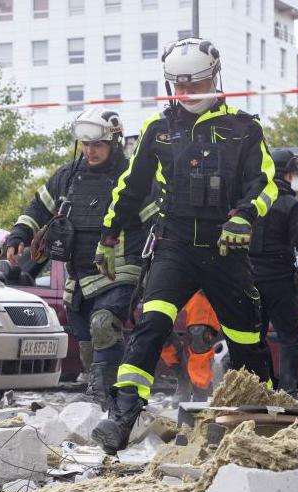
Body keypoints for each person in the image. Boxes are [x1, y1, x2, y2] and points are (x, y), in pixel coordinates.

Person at [91, 37, 278, 454]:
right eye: (178, 85)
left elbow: (264, 182)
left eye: (194, 84)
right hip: (174, 243)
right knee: (152, 323)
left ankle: (262, 417)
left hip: (225, 249)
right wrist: (108, 235)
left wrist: (245, 216)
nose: (186, 93)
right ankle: (121, 417)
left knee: (246, 339)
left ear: (214, 76)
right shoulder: (159, 130)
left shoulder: (244, 129)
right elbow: (130, 187)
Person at [4, 107, 151, 407]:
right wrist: (19, 233)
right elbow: (37, 207)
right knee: (87, 344)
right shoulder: (66, 176)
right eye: (85, 145)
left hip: (118, 271)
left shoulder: (133, 178)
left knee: (103, 325)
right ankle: (107, 400)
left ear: (114, 142)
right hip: (79, 278)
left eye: (97, 145)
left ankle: (108, 400)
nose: (90, 151)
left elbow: (154, 224)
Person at [249, 149, 298, 396]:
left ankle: (258, 387)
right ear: (288, 174)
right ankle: (288, 391)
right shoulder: (291, 205)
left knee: (254, 338)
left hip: (250, 281)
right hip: (281, 282)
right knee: (288, 338)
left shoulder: (252, 203)